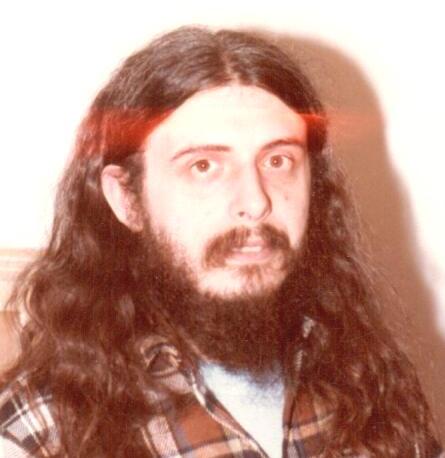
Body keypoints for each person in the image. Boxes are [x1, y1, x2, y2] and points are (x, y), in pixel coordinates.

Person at [0, 26, 442, 458]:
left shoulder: (368, 381)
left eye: (278, 160)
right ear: (127, 200)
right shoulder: (45, 432)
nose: (255, 201)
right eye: (204, 167)